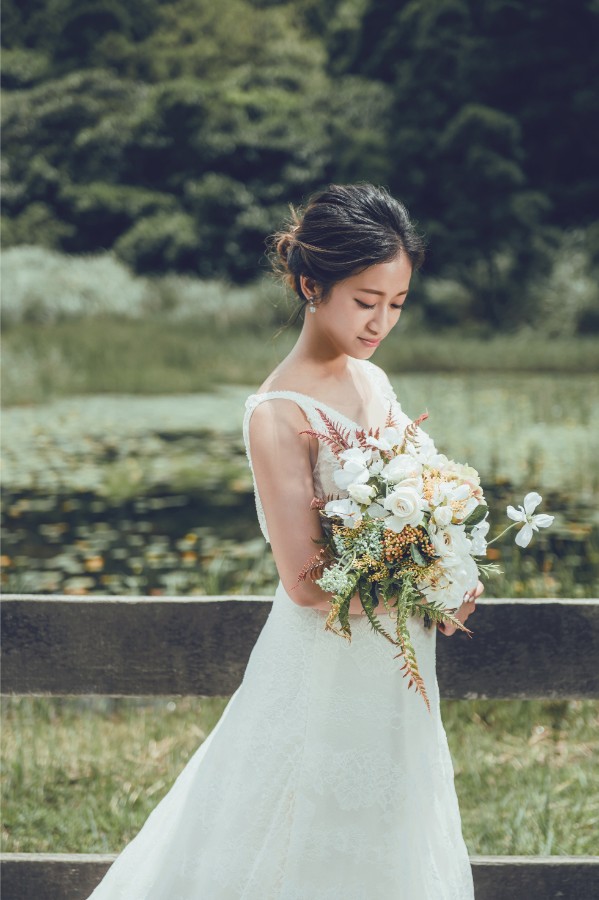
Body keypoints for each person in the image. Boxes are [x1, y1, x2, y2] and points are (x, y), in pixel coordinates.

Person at [88, 183, 483, 899]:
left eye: (394, 304)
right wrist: (416, 575)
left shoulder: (374, 381)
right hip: (322, 658)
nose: (380, 323)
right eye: (365, 301)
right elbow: (304, 580)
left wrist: (449, 562)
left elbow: (417, 502)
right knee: (291, 825)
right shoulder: (276, 412)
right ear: (311, 285)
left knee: (387, 827)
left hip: (395, 663)